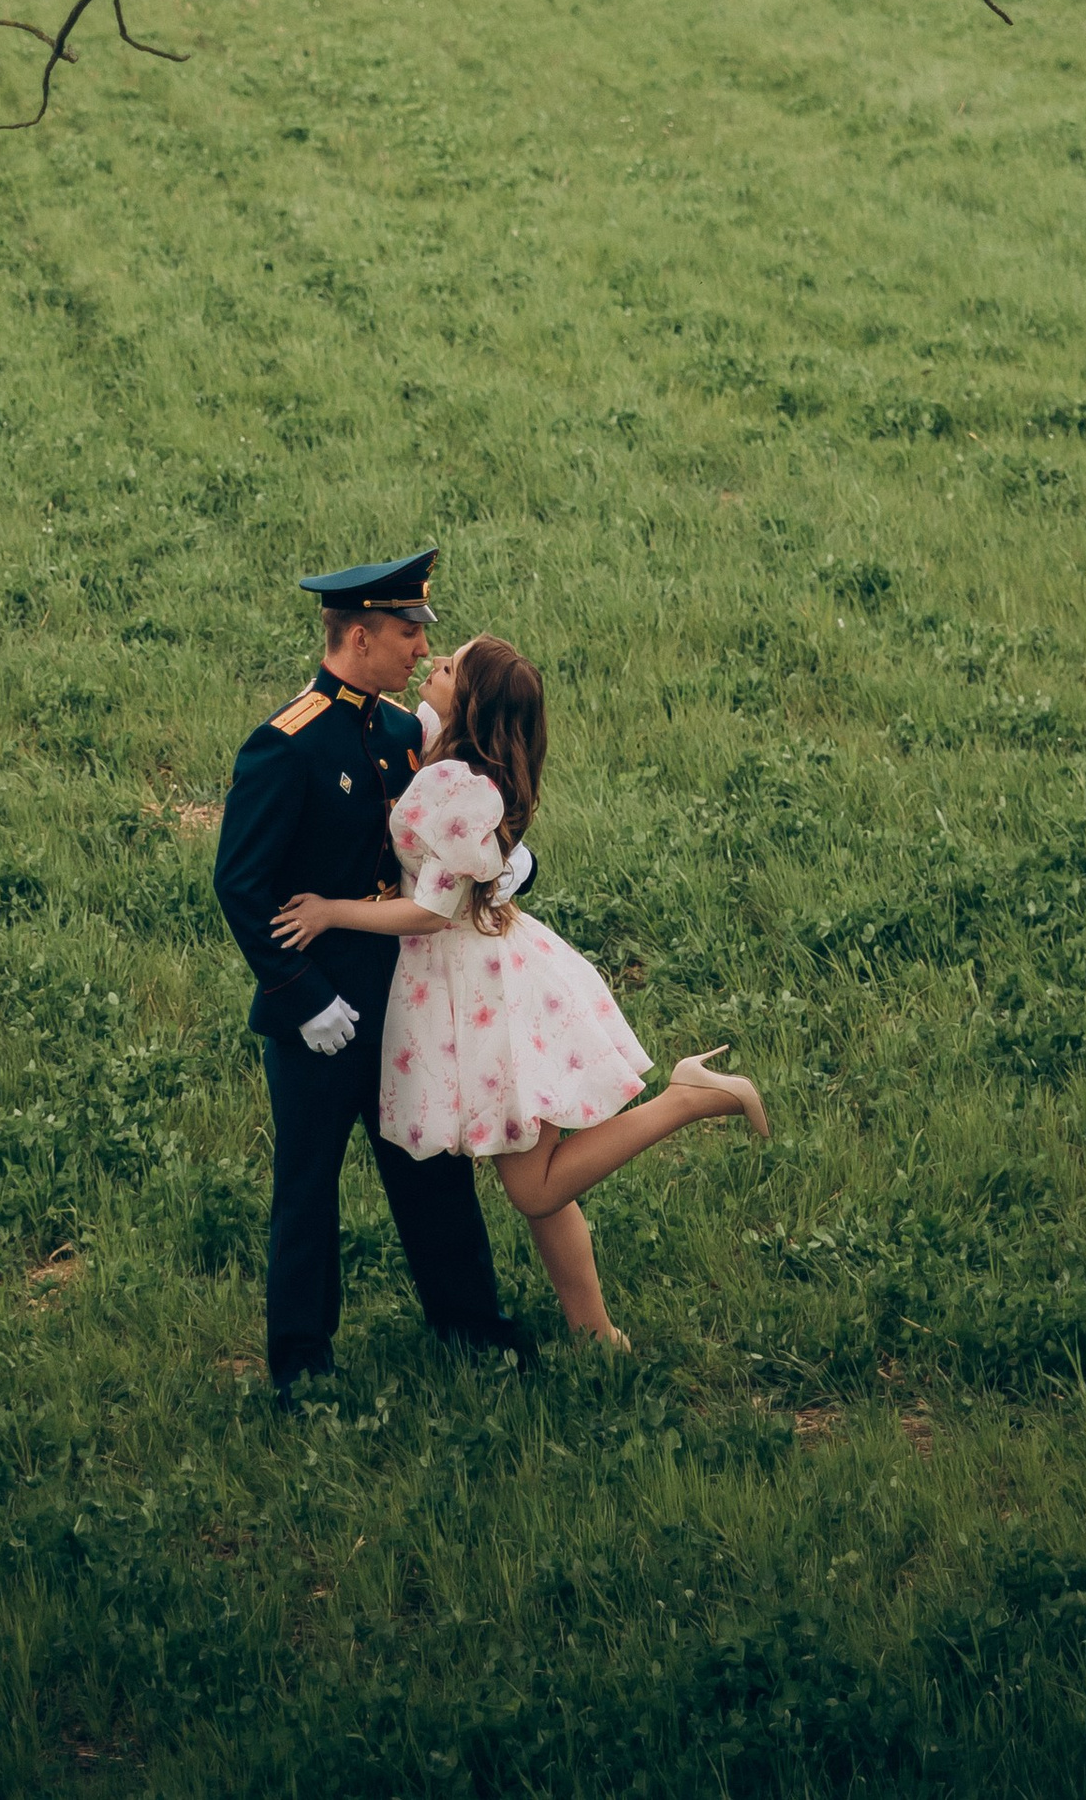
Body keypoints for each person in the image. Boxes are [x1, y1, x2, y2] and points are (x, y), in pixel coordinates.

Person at [271, 635, 767, 1348]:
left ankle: (690, 1097)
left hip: (476, 988)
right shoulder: (458, 748)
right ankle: (596, 1332)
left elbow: (430, 910)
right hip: (494, 968)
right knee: (540, 1176)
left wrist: (330, 909)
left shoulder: (460, 784)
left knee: (535, 1184)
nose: (432, 662)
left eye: (448, 666)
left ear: (469, 703)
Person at [212, 550, 524, 1401]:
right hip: (318, 1009)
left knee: (429, 1164)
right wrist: (302, 995)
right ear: (359, 633)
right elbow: (239, 883)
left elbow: (448, 835)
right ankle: (301, 1358)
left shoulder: (393, 734)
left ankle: (470, 1323)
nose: (420, 650)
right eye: (404, 633)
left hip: (402, 993)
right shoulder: (286, 743)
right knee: (307, 1185)